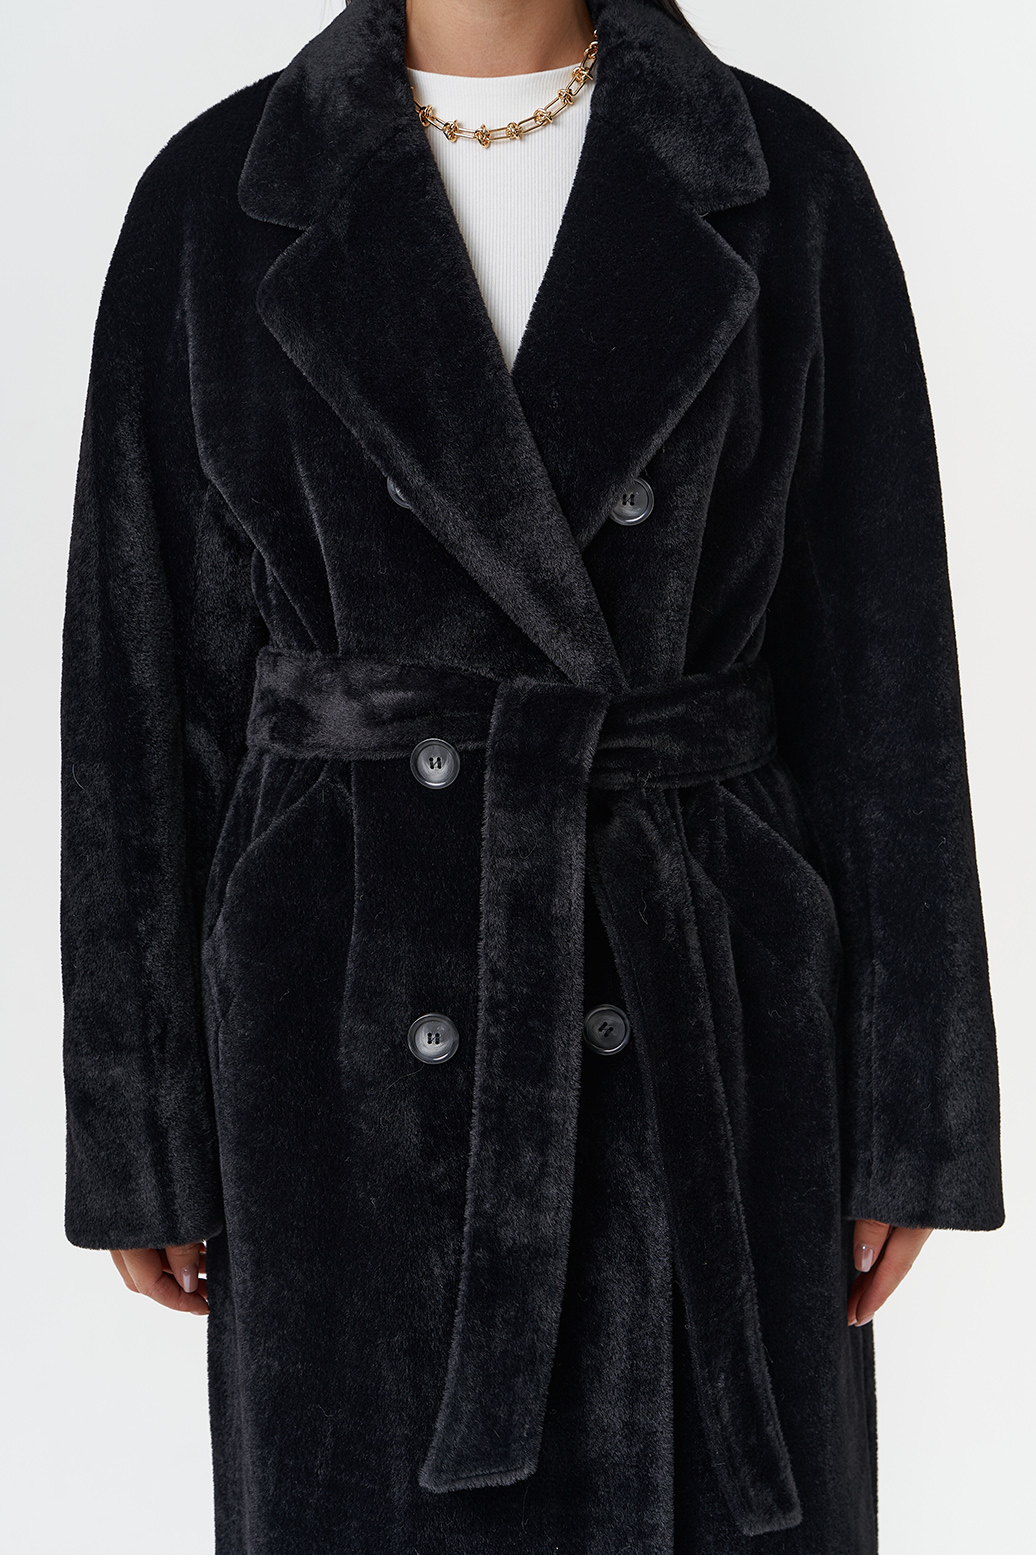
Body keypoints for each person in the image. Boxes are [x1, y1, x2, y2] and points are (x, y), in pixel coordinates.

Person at [59, 0, 1004, 1550]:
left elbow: (888, 675)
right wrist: (139, 1137)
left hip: (710, 1020)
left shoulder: (786, 181)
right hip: (341, 1036)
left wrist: (919, 1117)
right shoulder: (218, 196)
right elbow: (137, 689)